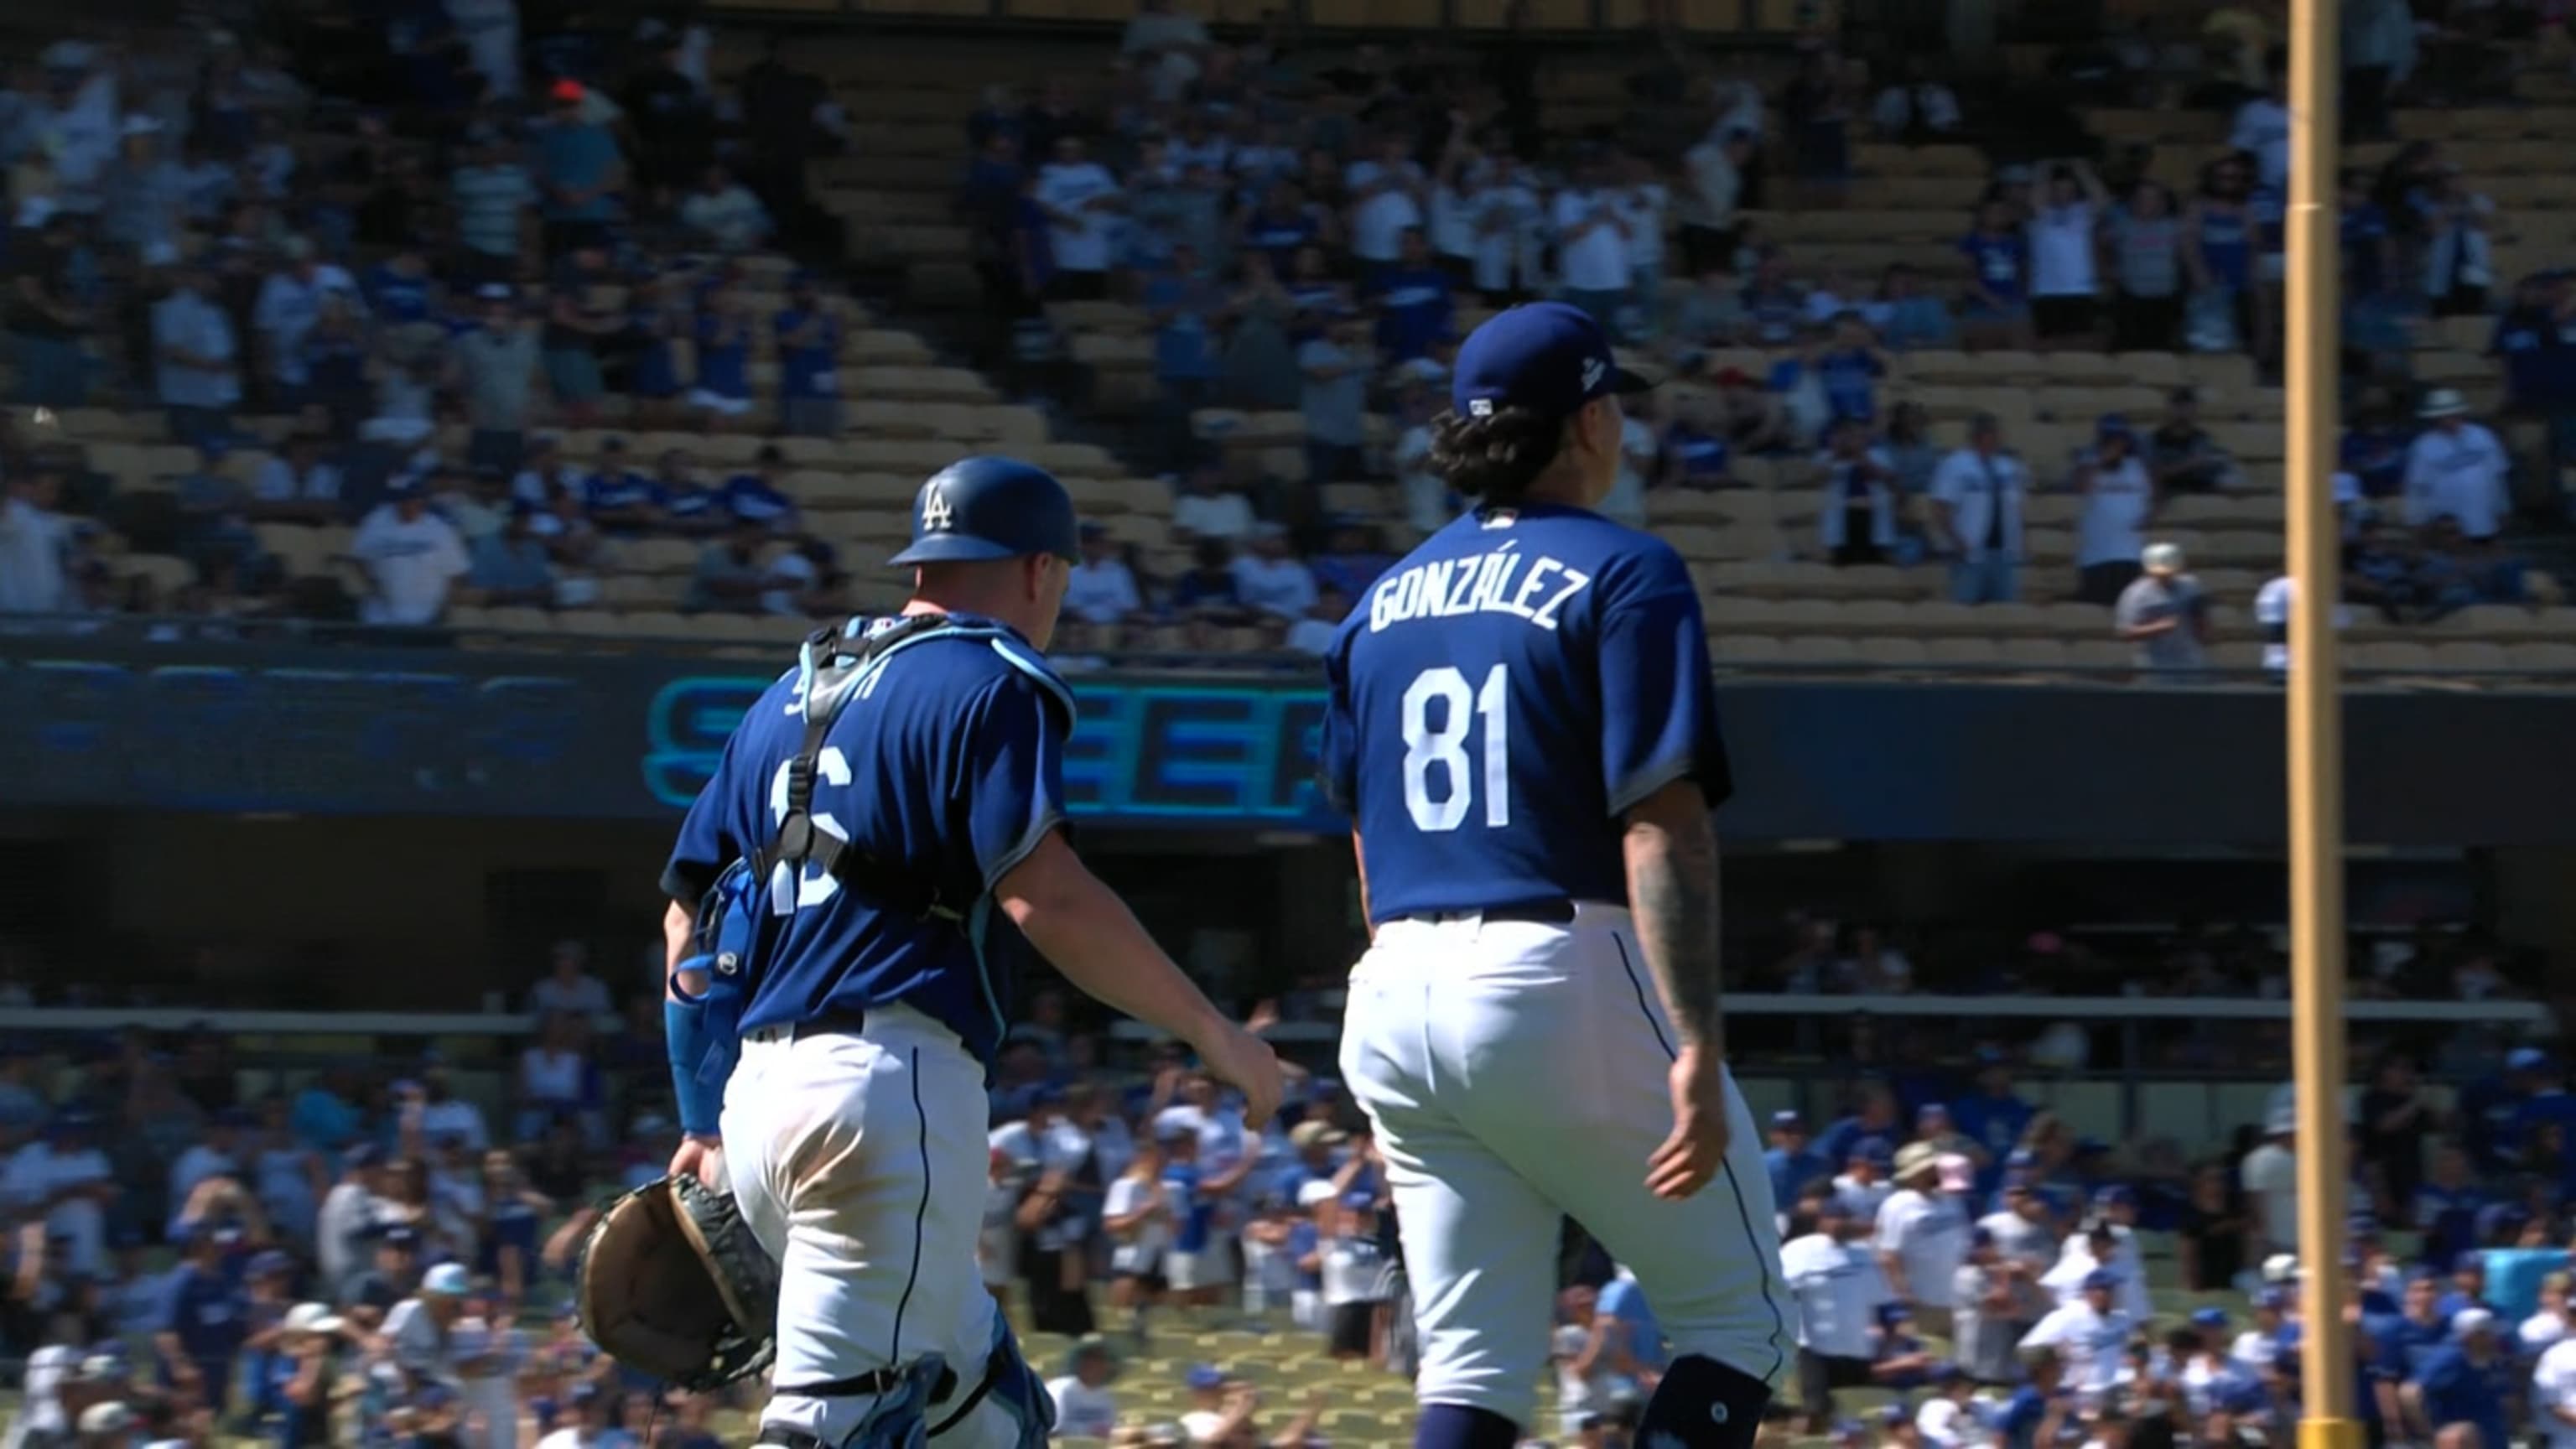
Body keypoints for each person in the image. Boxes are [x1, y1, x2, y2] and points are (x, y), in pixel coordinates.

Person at [658, 454, 1283, 1449]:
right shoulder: (989, 680)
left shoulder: (785, 694)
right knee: (829, 1428)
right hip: (881, 1095)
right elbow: (1050, 900)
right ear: (1042, 569)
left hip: (755, 1113)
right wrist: (1216, 1035)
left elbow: (686, 924)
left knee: (984, 1412)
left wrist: (701, 1115)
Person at [1319, 301, 1788, 1449]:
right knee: (1740, 1323)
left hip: (1394, 984)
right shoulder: (1627, 569)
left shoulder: (1378, 603)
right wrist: (1698, 1041)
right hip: (1552, 964)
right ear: (1587, 419)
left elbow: (1365, 839)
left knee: (1475, 1369)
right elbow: (1662, 825)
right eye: (1614, 400)